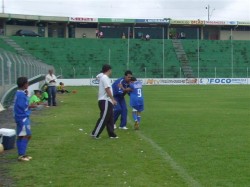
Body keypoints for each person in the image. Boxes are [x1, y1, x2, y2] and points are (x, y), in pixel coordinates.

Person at [91, 64, 118, 139]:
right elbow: (107, 89)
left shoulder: (103, 77)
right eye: (111, 70)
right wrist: (112, 99)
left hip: (107, 101)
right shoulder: (105, 77)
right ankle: (95, 134)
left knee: (110, 118)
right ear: (109, 70)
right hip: (105, 100)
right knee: (104, 118)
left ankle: (112, 134)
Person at [14, 77, 33, 161]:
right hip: (22, 117)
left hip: (20, 117)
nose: (28, 84)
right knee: (26, 135)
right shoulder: (21, 94)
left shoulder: (20, 93)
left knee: (22, 135)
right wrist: (31, 106)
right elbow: (22, 106)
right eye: (27, 83)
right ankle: (21, 155)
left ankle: (22, 154)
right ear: (24, 84)